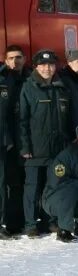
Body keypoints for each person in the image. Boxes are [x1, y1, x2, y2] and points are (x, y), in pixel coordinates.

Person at [19, 50, 71, 237]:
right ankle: (30, 224)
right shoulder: (28, 87)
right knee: (32, 189)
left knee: (53, 186)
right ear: (36, 67)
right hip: (35, 149)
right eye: (43, 65)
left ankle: (50, 221)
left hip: (58, 149)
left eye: (51, 65)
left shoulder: (62, 87)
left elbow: (68, 119)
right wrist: (25, 147)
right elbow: (22, 120)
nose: (47, 68)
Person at [3, 45, 31, 234]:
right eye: (11, 58)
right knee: (10, 182)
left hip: (27, 138)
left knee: (26, 181)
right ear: (6, 60)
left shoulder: (30, 78)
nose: (15, 61)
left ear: (24, 58)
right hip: (8, 139)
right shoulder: (3, 80)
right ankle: (12, 223)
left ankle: (26, 219)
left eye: (19, 57)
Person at [0, 62, 16, 238]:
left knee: (0, 185)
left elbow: (11, 113)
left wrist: (8, 137)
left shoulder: (6, 78)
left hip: (1, 140)